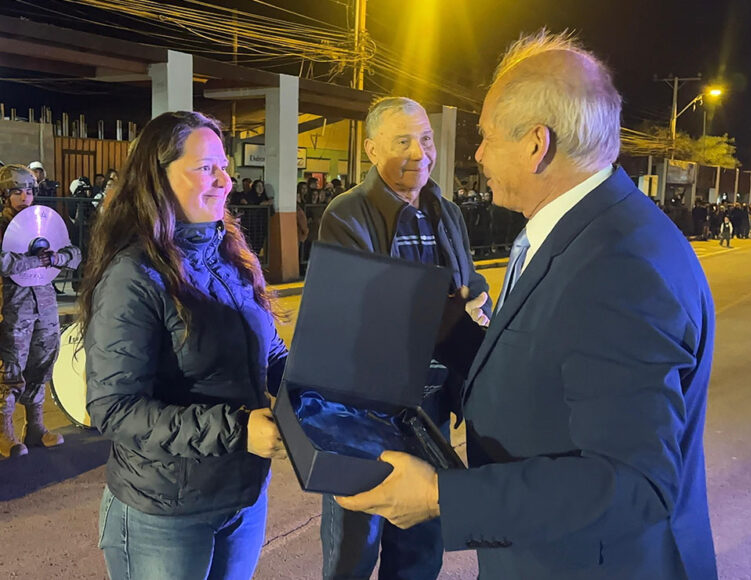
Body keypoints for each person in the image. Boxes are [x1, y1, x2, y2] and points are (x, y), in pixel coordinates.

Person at [335, 32, 717, 580]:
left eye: (487, 137)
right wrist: (454, 334)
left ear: (537, 144)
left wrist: (443, 497)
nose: (477, 153)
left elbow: (633, 486)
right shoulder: (583, 232)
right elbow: (548, 369)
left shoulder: (619, 265)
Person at [78, 111, 287, 580]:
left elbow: (269, 353)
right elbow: (114, 407)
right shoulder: (134, 275)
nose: (226, 181)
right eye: (205, 167)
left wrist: (315, 386)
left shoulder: (230, 257)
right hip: (164, 513)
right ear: (157, 178)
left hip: (242, 498)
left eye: (224, 166)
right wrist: (238, 430)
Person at [319, 96, 491, 580]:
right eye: (402, 141)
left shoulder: (446, 211)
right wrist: (443, 309)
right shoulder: (346, 214)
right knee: (353, 548)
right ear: (372, 150)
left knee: (420, 547)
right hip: (367, 412)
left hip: (431, 408)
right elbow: (353, 311)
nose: (420, 152)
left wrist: (478, 303)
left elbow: (470, 282)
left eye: (426, 139)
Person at [0, 165, 81, 457]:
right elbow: (5, 263)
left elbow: (74, 253)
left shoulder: (41, 224)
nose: (25, 197)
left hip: (44, 305)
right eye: (17, 192)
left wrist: (57, 257)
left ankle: (35, 428)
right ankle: (4, 432)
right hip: (13, 309)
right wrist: (37, 261)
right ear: (5, 195)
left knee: (43, 363)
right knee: (10, 369)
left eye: (29, 191)